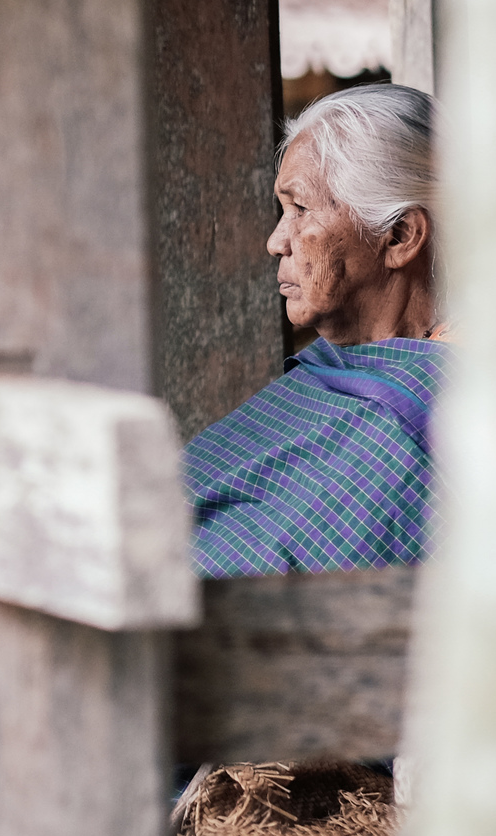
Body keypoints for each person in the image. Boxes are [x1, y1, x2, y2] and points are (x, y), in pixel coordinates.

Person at [187, 82, 444, 577]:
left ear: (399, 236)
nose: (275, 241)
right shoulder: (327, 375)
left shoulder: (427, 412)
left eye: (300, 209)